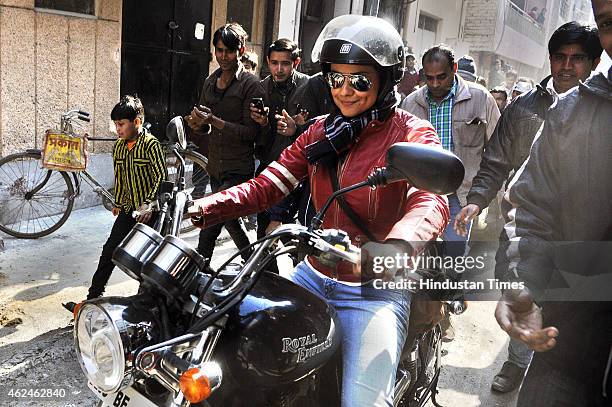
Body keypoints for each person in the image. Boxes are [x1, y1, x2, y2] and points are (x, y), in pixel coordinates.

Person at [187, 14, 448, 406]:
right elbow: (267, 185)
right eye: (335, 78)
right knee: (239, 356)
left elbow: (430, 199)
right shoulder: (319, 131)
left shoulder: (411, 132)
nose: (345, 91)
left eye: (359, 80)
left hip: (372, 288)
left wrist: (393, 249)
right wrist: (202, 206)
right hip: (312, 273)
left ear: (386, 80)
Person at [454, 20, 603, 396]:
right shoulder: (523, 108)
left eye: (578, 58)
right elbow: (495, 162)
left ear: (596, 60)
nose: (567, 66)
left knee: (572, 325)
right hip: (523, 229)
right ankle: (518, 361)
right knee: (520, 293)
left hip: (580, 244)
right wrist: (475, 201)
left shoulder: (596, 113)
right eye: (559, 57)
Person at [185, 22, 263, 263]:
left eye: (228, 51)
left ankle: (200, 266)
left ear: (240, 50)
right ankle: (252, 263)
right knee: (226, 218)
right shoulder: (210, 82)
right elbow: (206, 125)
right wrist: (197, 124)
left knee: (213, 218)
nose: (223, 56)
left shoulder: (251, 84)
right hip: (215, 166)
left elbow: (250, 133)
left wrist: (214, 120)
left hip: (238, 167)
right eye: (219, 50)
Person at [85, 96, 166, 302]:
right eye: (115, 125)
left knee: (146, 259)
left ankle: (145, 301)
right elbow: (120, 178)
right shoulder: (119, 147)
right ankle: (93, 297)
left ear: (136, 122)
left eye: (121, 124)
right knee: (109, 251)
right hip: (128, 210)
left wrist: (148, 204)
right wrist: (118, 204)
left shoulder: (151, 145)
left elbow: (161, 178)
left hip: (151, 213)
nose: (118, 129)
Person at [248, 38, 309, 268]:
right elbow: (256, 138)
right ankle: (265, 280)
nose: (279, 69)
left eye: (285, 63)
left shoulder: (308, 87)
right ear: (267, 62)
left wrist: (297, 128)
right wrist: (263, 123)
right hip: (270, 168)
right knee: (264, 235)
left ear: (296, 62)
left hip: (300, 171)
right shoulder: (261, 88)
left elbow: (317, 129)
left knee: (297, 236)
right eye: (274, 63)